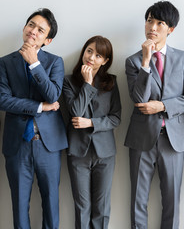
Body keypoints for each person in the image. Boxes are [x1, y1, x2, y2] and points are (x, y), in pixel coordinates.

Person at [124, 1, 184, 229]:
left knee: (172, 200)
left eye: (160, 23)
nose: (153, 27)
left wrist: (163, 106)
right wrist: (146, 61)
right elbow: (139, 98)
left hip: (173, 140)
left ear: (171, 29)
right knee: (138, 199)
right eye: (149, 20)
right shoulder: (133, 61)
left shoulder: (183, 58)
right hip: (141, 138)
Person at [0, 8, 68, 229]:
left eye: (40, 30)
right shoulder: (5, 62)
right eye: (31, 25)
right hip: (18, 144)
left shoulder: (55, 62)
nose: (33, 31)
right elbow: (3, 101)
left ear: (48, 39)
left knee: (51, 202)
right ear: (25, 27)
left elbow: (53, 95)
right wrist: (41, 107)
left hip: (48, 144)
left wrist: (35, 63)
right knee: (19, 204)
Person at [63, 36, 121, 229]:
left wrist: (91, 123)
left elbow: (115, 118)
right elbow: (75, 112)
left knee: (101, 207)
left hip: (105, 153)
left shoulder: (111, 83)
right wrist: (87, 84)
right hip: (78, 152)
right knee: (82, 207)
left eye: (98, 55)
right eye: (89, 51)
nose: (92, 57)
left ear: (105, 61)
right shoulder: (69, 81)